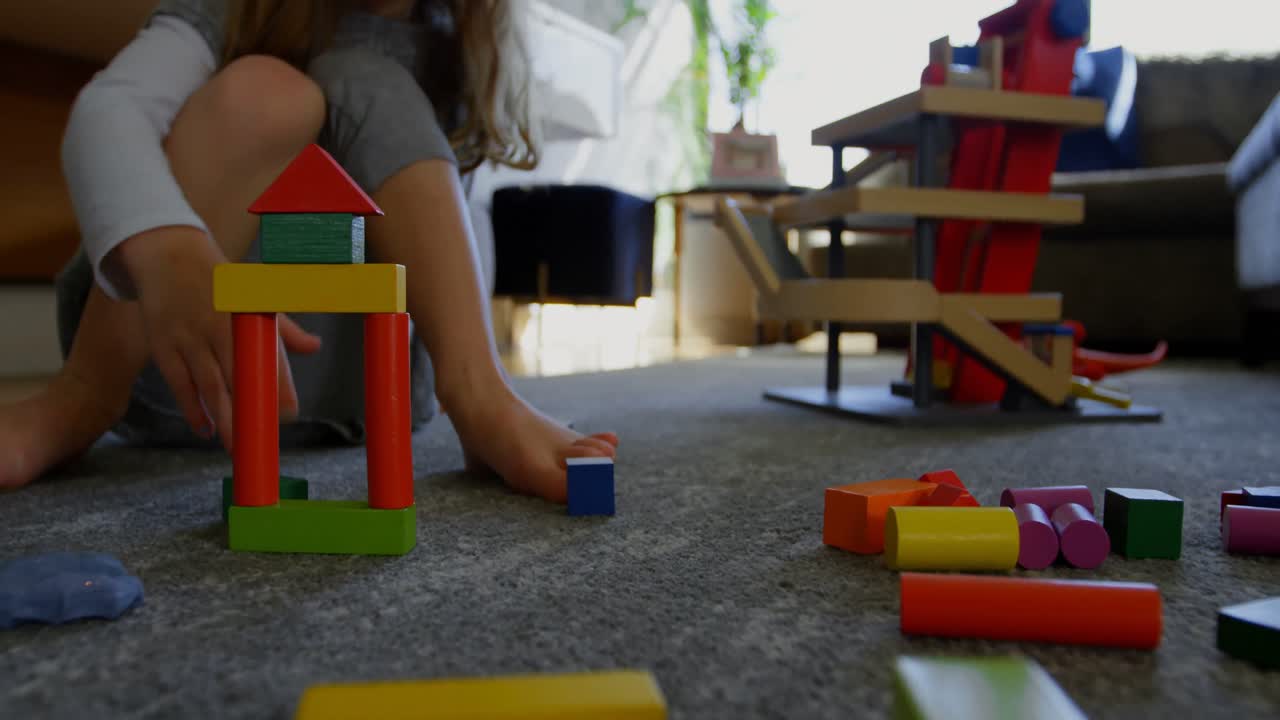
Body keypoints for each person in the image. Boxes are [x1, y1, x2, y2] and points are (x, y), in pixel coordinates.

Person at [0, 0, 618, 500]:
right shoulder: (237, 10)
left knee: (368, 79)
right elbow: (110, 110)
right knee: (269, 91)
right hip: (177, 369)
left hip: (372, 401)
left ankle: (481, 396)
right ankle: (80, 395)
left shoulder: (453, 37)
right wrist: (168, 253)